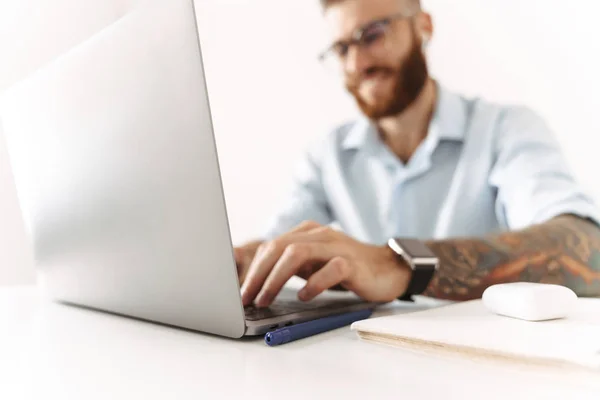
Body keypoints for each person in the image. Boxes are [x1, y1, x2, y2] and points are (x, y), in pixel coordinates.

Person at [235, 0, 600, 308]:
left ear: (423, 26)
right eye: (343, 48)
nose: (357, 64)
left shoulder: (506, 129)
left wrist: (396, 264)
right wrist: (242, 262)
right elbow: (278, 245)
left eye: (372, 35)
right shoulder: (326, 155)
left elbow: (588, 252)